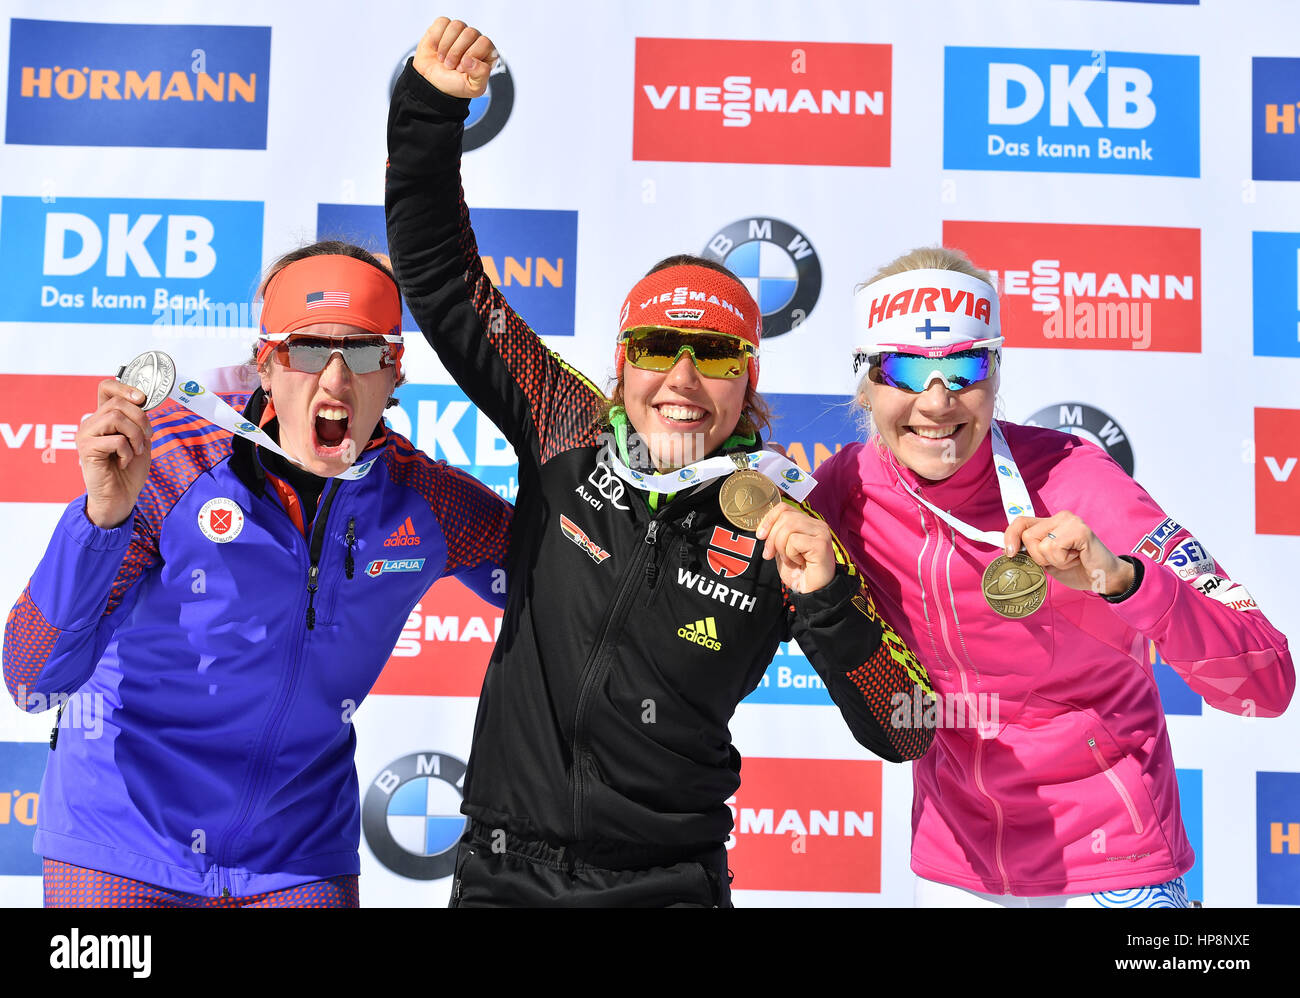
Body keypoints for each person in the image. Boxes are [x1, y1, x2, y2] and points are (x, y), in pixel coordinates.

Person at [384, 17, 934, 907]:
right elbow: (443, 277)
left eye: (714, 356)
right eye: (656, 347)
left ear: (748, 381)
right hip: (500, 874)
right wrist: (427, 113)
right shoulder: (565, 425)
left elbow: (908, 729)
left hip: (668, 885)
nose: (682, 380)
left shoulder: (787, 521)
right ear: (622, 364)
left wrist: (829, 602)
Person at [3, 241, 513, 908]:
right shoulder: (169, 469)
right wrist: (101, 517)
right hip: (124, 844)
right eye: (305, 351)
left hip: (295, 857)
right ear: (265, 368)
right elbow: (32, 680)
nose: (333, 380)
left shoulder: (422, 503)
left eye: (361, 352)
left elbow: (563, 578)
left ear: (394, 374)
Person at [808, 246, 1295, 907]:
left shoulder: (1077, 480)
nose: (937, 400)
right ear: (866, 382)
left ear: (997, 372)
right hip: (960, 867)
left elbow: (1264, 684)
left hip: (1112, 861)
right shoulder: (848, 488)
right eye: (905, 368)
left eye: (964, 366)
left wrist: (1122, 579)